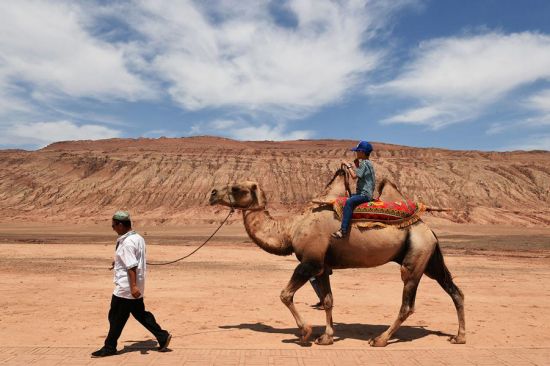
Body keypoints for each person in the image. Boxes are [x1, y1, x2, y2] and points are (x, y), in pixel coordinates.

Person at [91, 211, 172, 358]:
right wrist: (118, 262)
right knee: (140, 314)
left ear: (121, 225)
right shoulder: (137, 238)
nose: (113, 228)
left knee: (115, 316)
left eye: (114, 225)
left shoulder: (127, 242)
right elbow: (131, 259)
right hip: (136, 286)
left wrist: (133, 286)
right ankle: (162, 336)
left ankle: (109, 347)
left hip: (126, 288)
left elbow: (131, 266)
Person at [331, 141, 376, 239]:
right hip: (366, 193)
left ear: (363, 153)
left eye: (358, 151)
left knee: (349, 202)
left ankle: (343, 230)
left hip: (364, 194)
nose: (356, 153)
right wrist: (357, 165)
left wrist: (348, 165)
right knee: (349, 197)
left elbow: (354, 176)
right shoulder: (368, 163)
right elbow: (361, 174)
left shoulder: (364, 163)